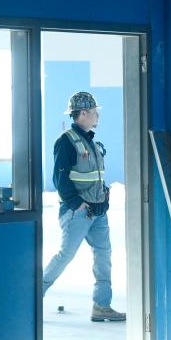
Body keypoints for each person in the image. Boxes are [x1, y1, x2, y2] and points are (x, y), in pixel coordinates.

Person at [42, 91, 126, 322]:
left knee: (103, 256)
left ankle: (102, 306)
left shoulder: (92, 141)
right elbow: (60, 179)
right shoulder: (66, 142)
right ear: (83, 113)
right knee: (65, 256)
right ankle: (33, 298)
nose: (98, 114)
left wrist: (104, 200)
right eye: (94, 111)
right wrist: (77, 204)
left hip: (98, 212)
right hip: (77, 212)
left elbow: (96, 176)